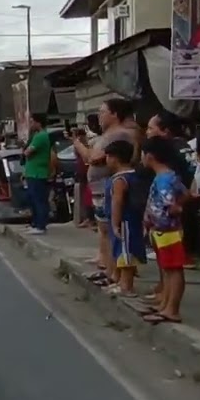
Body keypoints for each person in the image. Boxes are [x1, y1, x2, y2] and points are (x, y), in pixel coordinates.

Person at [73, 98, 138, 287]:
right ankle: (108, 270)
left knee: (111, 231)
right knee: (103, 230)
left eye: (103, 112)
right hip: (100, 188)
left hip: (108, 187)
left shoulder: (120, 134)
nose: (99, 117)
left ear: (115, 114)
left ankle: (115, 275)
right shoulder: (107, 134)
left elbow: (93, 158)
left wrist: (78, 145)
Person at [139, 136, 189, 324]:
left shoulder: (163, 180)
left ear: (150, 156)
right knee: (167, 268)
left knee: (173, 269)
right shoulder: (170, 176)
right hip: (163, 229)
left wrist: (174, 210)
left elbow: (170, 203)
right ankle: (166, 304)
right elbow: (185, 194)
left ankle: (172, 309)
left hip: (167, 229)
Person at [105, 139, 146, 297]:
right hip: (129, 220)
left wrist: (115, 223)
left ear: (115, 158)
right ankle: (122, 282)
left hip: (124, 221)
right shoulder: (132, 175)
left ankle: (126, 286)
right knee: (122, 251)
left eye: (108, 156)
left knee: (125, 253)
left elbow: (118, 201)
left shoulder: (120, 180)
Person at [22, 113, 53, 235]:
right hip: (32, 172)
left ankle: (41, 225)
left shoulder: (41, 136)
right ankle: (35, 223)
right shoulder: (36, 135)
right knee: (33, 200)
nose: (31, 124)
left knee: (39, 200)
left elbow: (27, 152)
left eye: (32, 121)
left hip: (38, 173)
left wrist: (26, 150)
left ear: (38, 123)